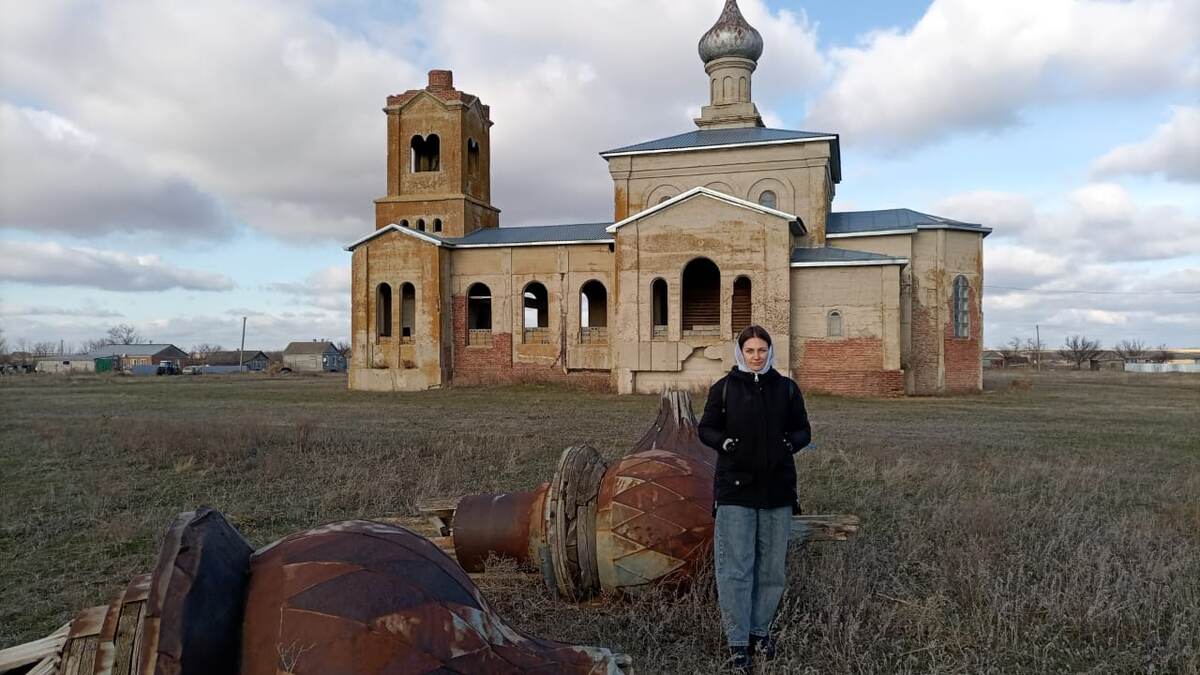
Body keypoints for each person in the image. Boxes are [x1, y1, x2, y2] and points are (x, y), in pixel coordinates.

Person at [699, 324, 812, 672]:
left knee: (771, 568)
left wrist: (789, 444)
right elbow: (706, 428)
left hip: (777, 489)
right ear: (740, 353)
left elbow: (803, 429)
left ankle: (759, 633)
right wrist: (726, 443)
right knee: (736, 568)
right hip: (736, 489)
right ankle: (737, 643)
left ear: (769, 352)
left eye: (762, 350)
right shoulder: (725, 389)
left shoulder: (787, 389)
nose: (756, 356)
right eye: (750, 351)